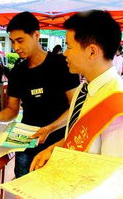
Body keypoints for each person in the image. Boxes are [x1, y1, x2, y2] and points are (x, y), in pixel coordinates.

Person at [0, 11, 80, 178]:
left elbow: (75, 107)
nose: (16, 47)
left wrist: (49, 128)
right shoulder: (18, 71)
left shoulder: (61, 65)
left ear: (36, 35)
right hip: (26, 144)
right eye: (12, 42)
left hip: (58, 144)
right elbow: (12, 110)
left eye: (20, 41)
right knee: (23, 190)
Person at [30, 10, 123, 172]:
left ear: (92, 52)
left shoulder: (117, 104)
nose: (65, 53)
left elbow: (112, 175)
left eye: (69, 46)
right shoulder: (84, 88)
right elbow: (80, 135)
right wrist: (53, 149)